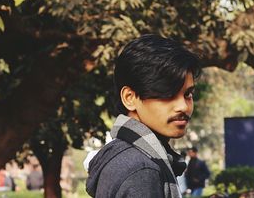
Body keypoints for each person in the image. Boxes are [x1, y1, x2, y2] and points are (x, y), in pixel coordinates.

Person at [85, 34, 201, 198]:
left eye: (188, 94)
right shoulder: (141, 169)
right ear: (130, 98)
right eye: (167, 94)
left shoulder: (125, 157)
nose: (183, 106)